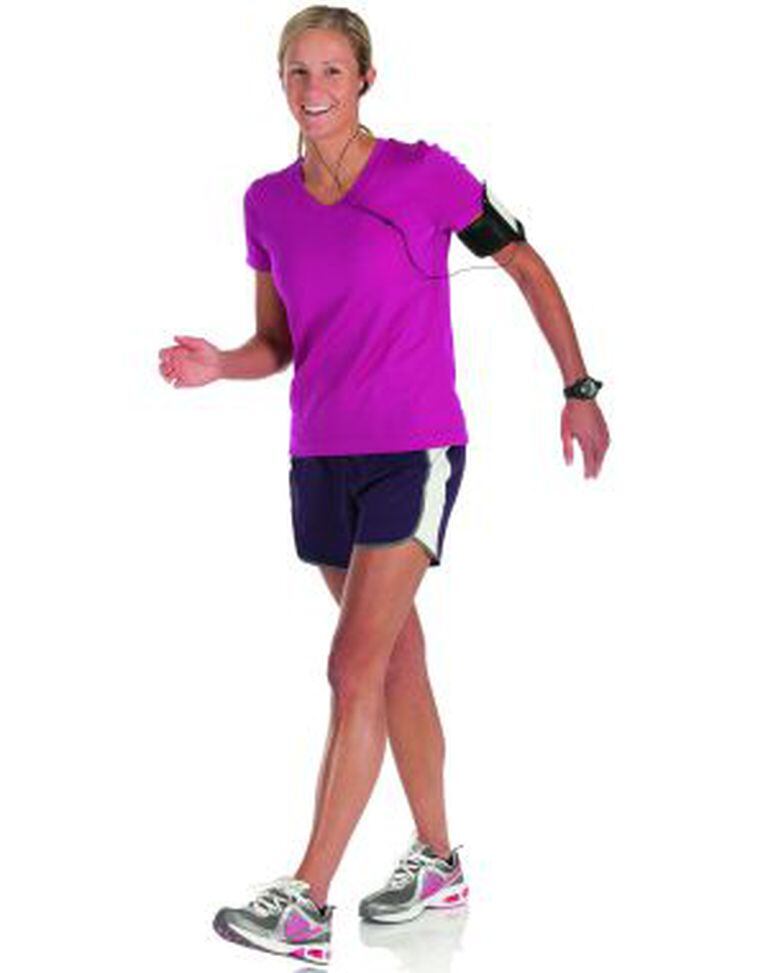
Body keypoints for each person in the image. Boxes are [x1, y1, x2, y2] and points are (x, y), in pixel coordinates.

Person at [158, 4, 610, 966]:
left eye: (332, 70)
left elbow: (523, 262)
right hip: (321, 457)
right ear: (280, 82)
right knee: (394, 660)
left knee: (351, 667)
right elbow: (276, 342)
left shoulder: (422, 173)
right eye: (297, 71)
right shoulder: (265, 203)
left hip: (414, 449)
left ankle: (307, 899)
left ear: (366, 78)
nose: (313, 89)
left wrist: (578, 388)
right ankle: (439, 862)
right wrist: (220, 365)